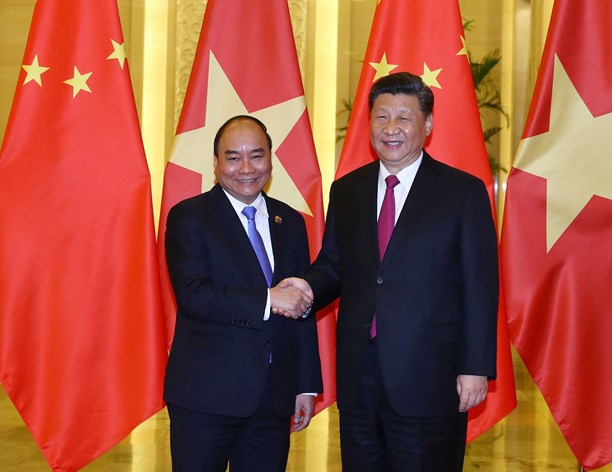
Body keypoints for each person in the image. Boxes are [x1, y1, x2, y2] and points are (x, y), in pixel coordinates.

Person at [284, 72, 499, 471]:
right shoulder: (347, 191)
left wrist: (476, 367)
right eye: (381, 117)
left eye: (404, 117)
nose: (391, 128)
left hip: (430, 376)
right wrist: (306, 288)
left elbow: (480, 285)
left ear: (428, 125)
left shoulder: (462, 192)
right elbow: (335, 264)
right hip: (358, 376)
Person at [163, 115, 323, 472]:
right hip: (206, 396)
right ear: (216, 163)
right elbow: (193, 294)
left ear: (271, 159)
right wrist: (268, 299)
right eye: (233, 157)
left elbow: (301, 307)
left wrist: (306, 386)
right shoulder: (189, 217)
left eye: (257, 155)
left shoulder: (291, 221)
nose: (246, 168)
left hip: (274, 398)